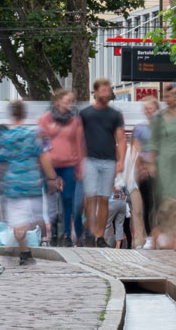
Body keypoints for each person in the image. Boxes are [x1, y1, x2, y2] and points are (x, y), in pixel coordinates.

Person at [0, 101, 58, 265]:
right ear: (24, 114)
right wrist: (51, 178)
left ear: (11, 115)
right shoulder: (33, 134)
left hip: (12, 186)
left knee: (18, 220)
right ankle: (23, 251)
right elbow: (44, 157)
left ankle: (19, 249)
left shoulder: (7, 137)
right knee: (25, 220)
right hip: (31, 185)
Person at [79, 78, 125, 248]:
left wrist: (120, 161)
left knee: (104, 198)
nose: (107, 93)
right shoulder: (85, 114)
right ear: (96, 92)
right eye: (104, 90)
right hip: (89, 159)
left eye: (109, 90)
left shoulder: (115, 115)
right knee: (90, 198)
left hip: (109, 160)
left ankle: (100, 236)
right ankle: (91, 233)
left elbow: (121, 138)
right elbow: (78, 138)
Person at [37, 88, 84, 246]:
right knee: (52, 198)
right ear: (58, 101)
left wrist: (79, 166)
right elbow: (41, 142)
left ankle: (66, 234)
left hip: (69, 164)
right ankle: (54, 231)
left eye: (72, 101)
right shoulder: (46, 119)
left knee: (68, 198)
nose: (70, 104)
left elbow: (78, 144)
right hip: (50, 165)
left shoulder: (75, 121)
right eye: (67, 101)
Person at [148, 83, 176, 249]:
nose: (174, 98)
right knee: (166, 201)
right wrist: (152, 164)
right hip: (165, 163)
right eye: (170, 95)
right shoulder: (159, 118)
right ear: (165, 98)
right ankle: (159, 232)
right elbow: (153, 142)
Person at [133, 97, 159, 249]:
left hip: (162, 169)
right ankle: (149, 236)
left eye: (151, 108)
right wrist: (142, 167)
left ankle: (161, 234)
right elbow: (136, 149)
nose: (149, 111)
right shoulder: (139, 129)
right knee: (148, 204)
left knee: (162, 203)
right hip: (145, 171)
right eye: (146, 108)